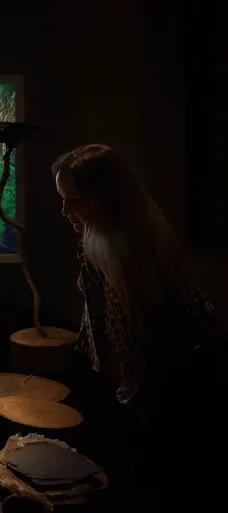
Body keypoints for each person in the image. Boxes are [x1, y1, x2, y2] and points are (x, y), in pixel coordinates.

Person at [52, 144, 218, 507]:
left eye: (73, 200)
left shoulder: (135, 262)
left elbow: (141, 357)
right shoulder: (101, 244)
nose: (65, 211)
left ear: (103, 200)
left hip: (166, 412)